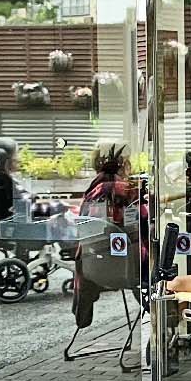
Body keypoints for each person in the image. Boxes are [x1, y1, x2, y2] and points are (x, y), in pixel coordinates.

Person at [68, 143, 151, 335]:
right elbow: (144, 220)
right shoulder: (128, 190)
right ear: (122, 164)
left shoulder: (91, 192)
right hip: (128, 270)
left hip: (93, 270)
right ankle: (163, 319)